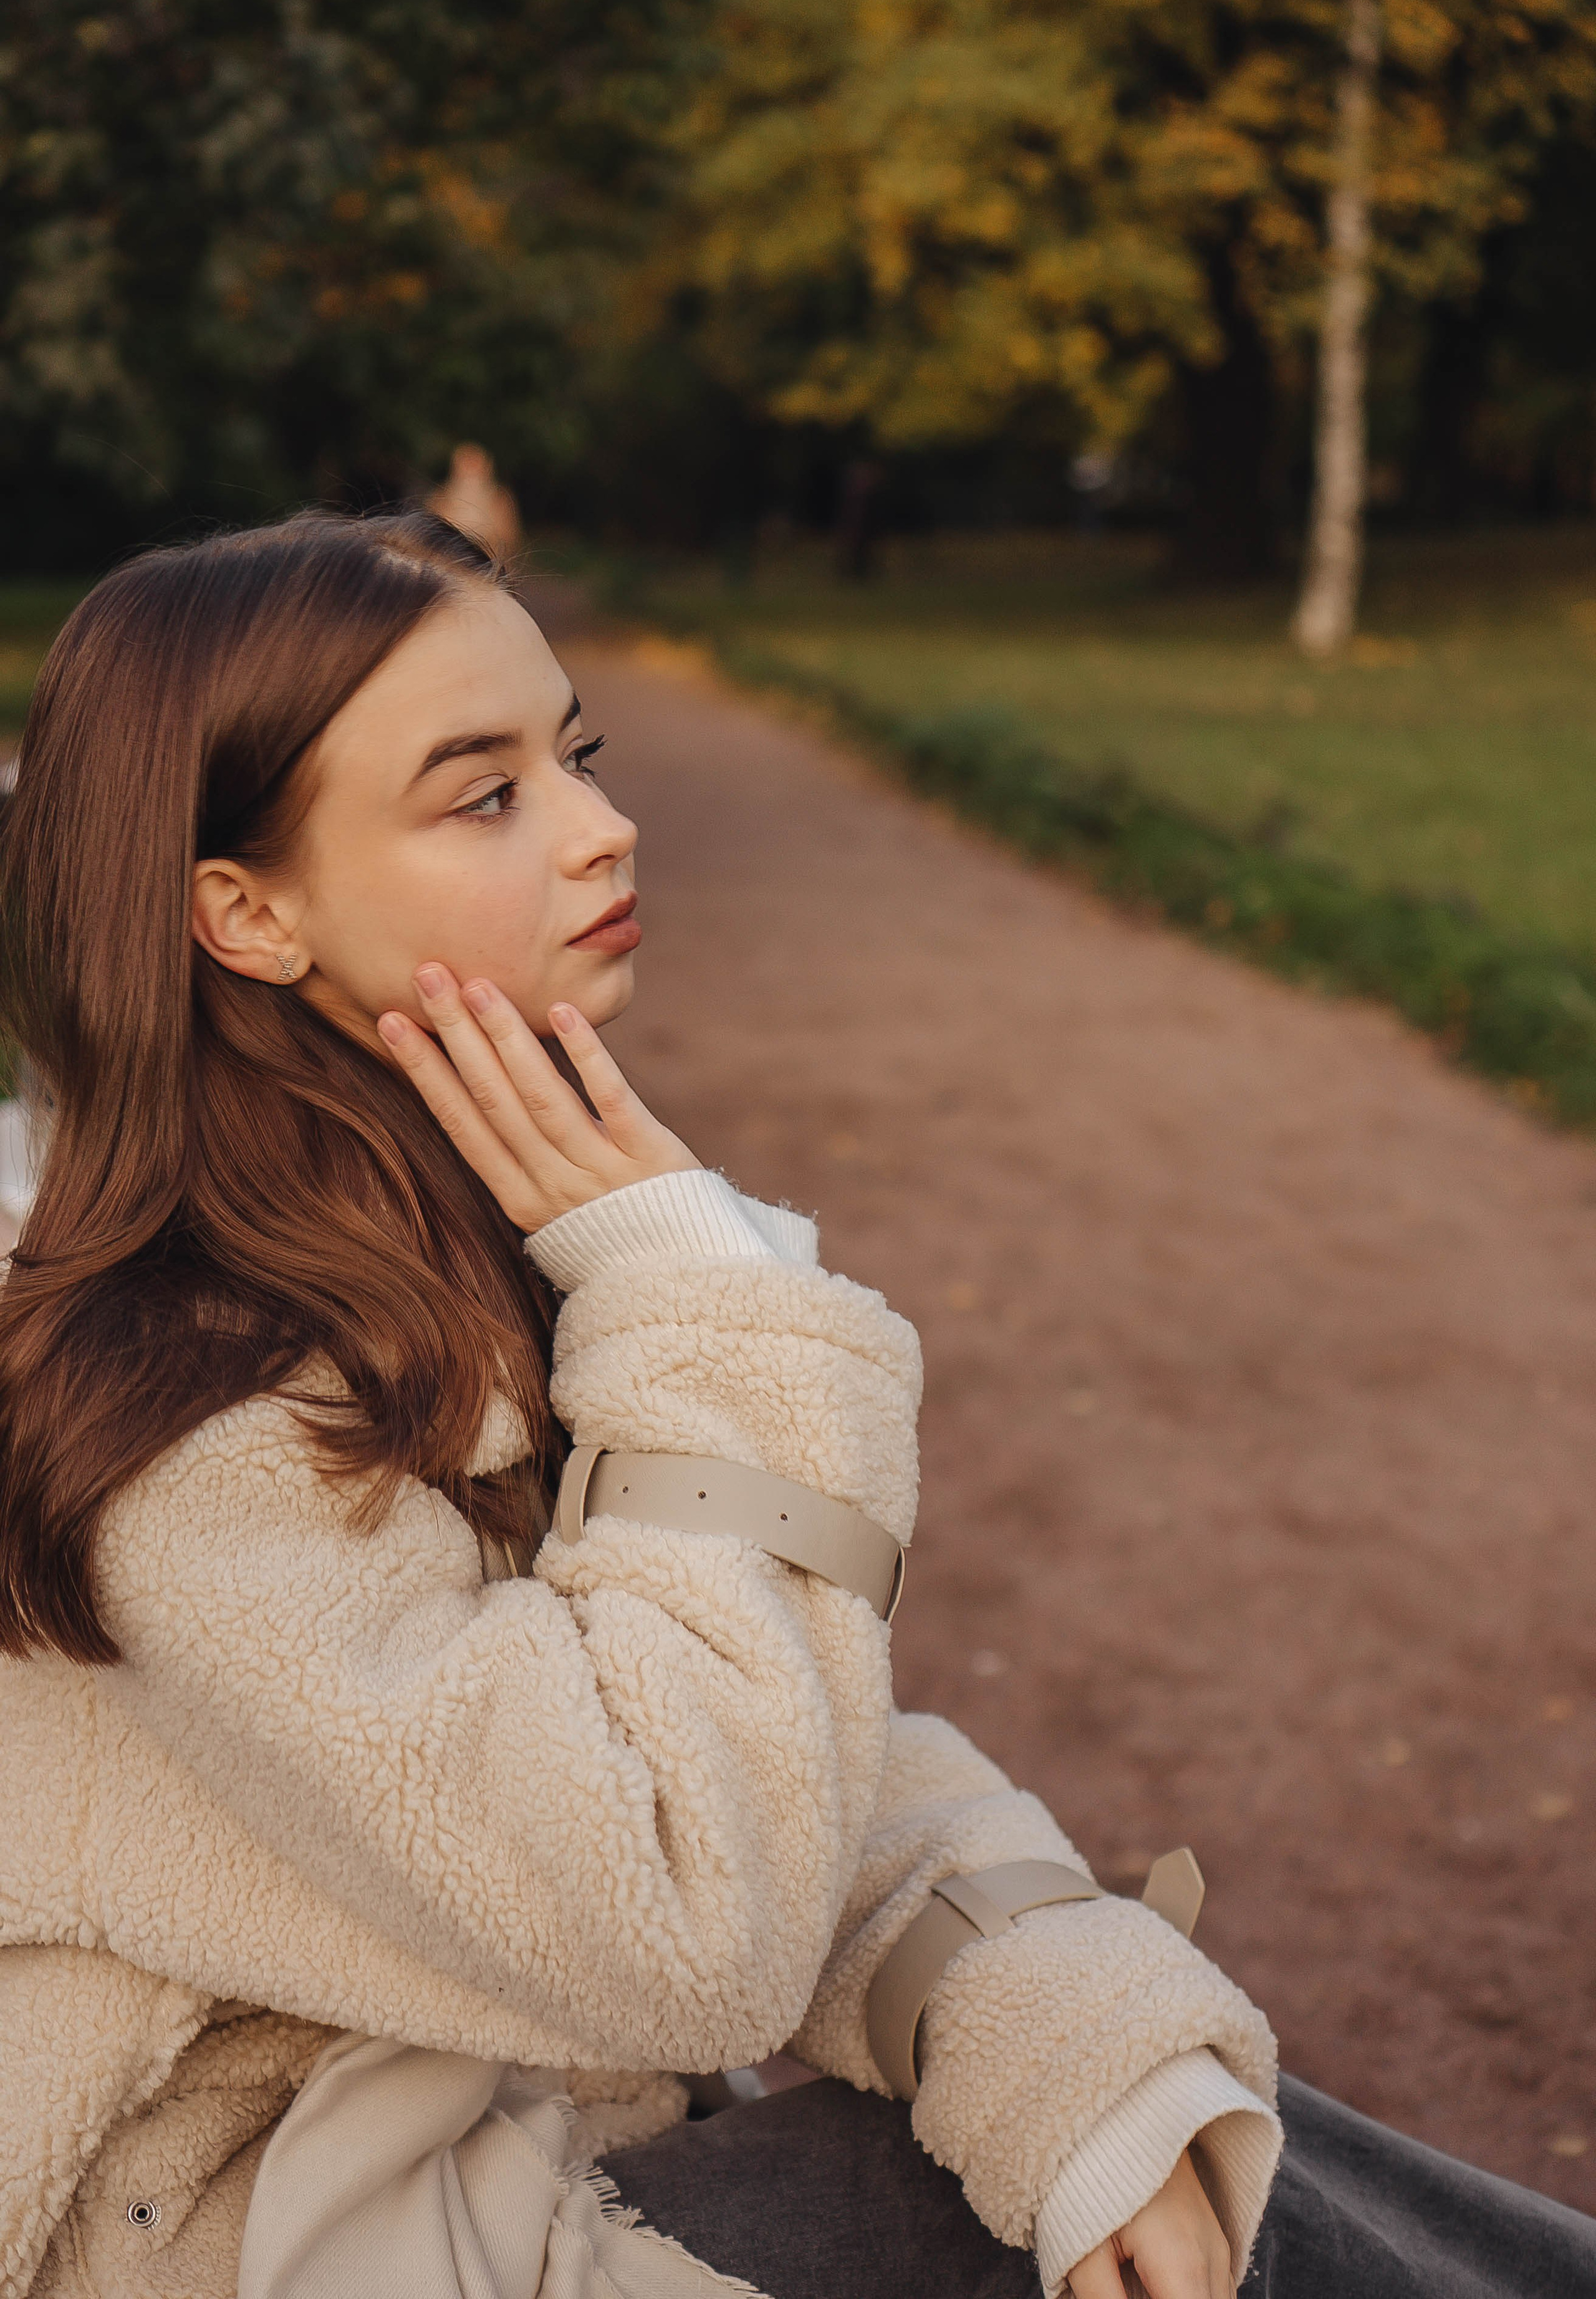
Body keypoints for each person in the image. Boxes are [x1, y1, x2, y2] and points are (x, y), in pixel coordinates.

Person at [0, 514, 1591, 2299]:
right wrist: (697, 1295)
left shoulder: (408, 1252)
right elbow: (686, 1916)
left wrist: (1064, 2039)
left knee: (1166, 2138)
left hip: (491, 2165)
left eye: (573, 754)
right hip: (271, 2244)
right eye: (484, 795)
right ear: (246, 913)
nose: (604, 825)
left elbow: (780, 1744)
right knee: (1078, 2216)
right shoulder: (181, 1415)